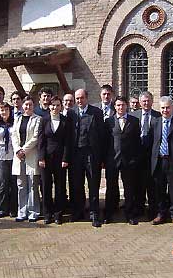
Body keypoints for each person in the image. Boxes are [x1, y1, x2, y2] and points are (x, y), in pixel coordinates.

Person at [68, 89, 105, 227]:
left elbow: (102, 136)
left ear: (87, 98)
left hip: (91, 153)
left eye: (81, 98)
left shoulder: (96, 113)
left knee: (93, 184)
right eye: (77, 98)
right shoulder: (72, 113)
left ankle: (94, 213)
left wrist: (101, 157)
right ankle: (78, 211)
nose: (79, 101)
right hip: (76, 154)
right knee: (77, 184)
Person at [104, 96, 141, 225]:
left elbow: (137, 142)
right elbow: (106, 142)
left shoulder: (134, 121)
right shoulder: (108, 122)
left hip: (128, 161)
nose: (120, 107)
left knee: (129, 189)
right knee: (111, 188)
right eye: (118, 105)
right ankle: (108, 213)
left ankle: (130, 214)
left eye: (123, 105)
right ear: (115, 107)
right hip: (112, 160)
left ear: (127, 106)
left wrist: (135, 159)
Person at [150, 96, 173, 229]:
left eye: (168, 107)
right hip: (159, 161)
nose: (165, 110)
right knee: (159, 189)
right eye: (163, 108)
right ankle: (161, 213)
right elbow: (152, 143)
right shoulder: (155, 122)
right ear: (160, 109)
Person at [38, 96, 72, 225]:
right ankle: (47, 213)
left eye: (58, 105)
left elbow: (67, 142)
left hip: (60, 159)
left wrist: (65, 158)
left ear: (61, 106)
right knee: (46, 186)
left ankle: (58, 214)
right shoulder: (44, 120)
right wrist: (41, 157)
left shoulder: (65, 121)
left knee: (60, 187)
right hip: (46, 159)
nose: (55, 108)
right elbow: (41, 140)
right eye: (53, 105)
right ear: (49, 106)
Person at [11, 96, 42, 222]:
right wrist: (18, 149)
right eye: (26, 105)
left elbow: (35, 137)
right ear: (22, 106)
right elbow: (13, 135)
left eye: (30, 104)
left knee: (33, 185)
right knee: (21, 185)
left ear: (33, 106)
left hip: (31, 155)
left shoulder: (38, 119)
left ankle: (33, 212)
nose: (27, 107)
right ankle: (22, 212)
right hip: (19, 156)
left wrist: (24, 149)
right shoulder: (17, 119)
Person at [132, 91, 161, 219]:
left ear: (152, 101)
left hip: (152, 155)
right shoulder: (133, 116)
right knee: (138, 182)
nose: (146, 103)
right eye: (144, 101)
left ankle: (153, 209)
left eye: (148, 100)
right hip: (137, 154)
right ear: (140, 102)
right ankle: (139, 207)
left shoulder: (158, 116)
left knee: (152, 183)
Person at [0, 102, 17, 218]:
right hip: (1, 157)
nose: (4, 112)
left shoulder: (15, 124)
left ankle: (14, 209)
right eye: (2, 110)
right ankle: (2, 208)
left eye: (6, 110)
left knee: (13, 182)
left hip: (13, 156)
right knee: (3, 183)